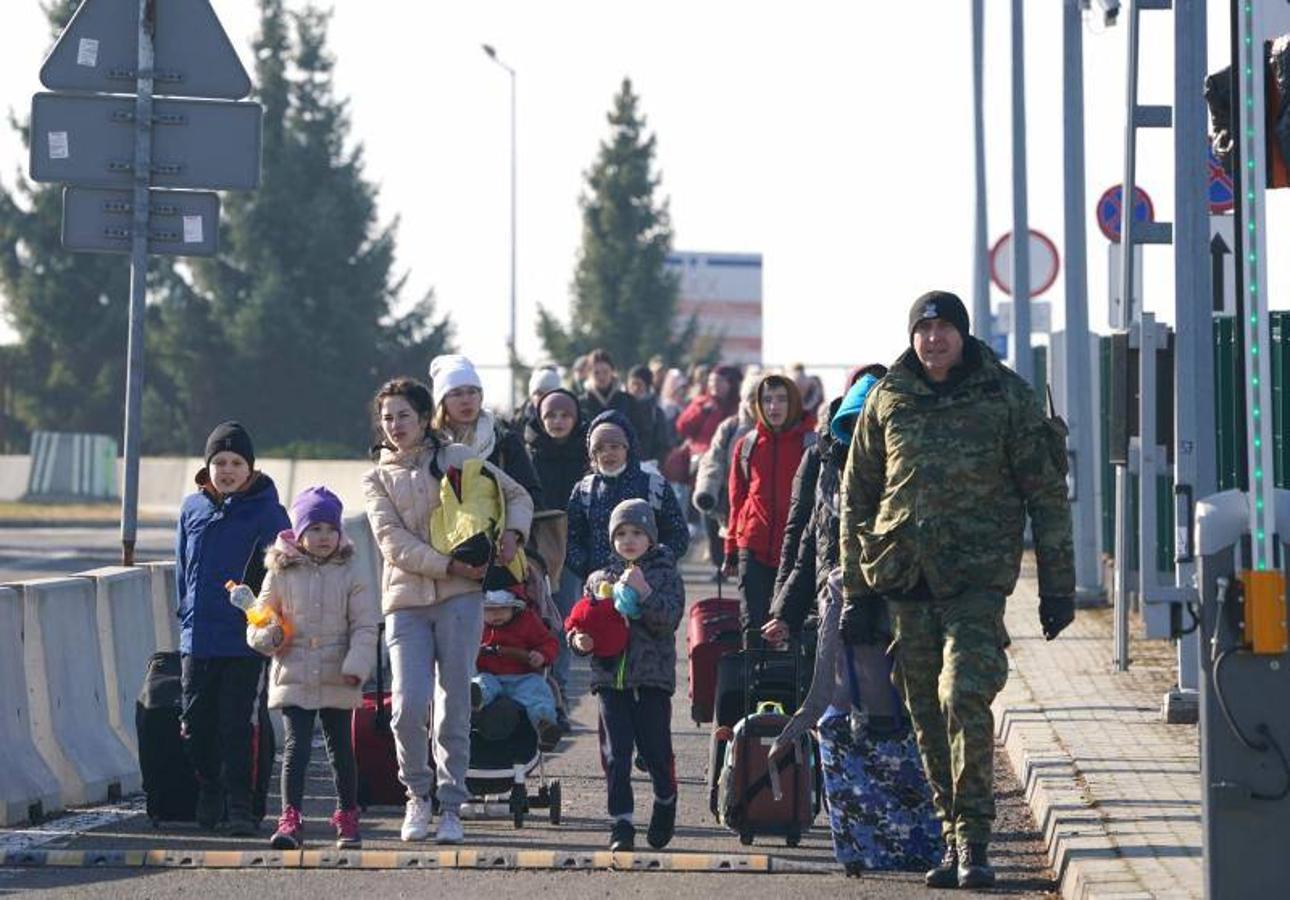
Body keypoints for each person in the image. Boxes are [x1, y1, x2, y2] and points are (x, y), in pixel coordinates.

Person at [840, 290, 1076, 890]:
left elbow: (1045, 494)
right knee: (924, 711)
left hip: (976, 582)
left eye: (946, 328)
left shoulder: (1006, 396)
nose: (935, 338)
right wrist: (856, 592)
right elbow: (857, 496)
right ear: (912, 337)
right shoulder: (888, 398)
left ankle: (975, 839)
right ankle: (951, 836)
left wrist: (1058, 587)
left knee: (962, 694)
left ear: (964, 335)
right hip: (905, 579)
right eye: (925, 329)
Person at [363, 378, 534, 845]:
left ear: (423, 417)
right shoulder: (375, 477)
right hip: (405, 601)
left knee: (452, 703)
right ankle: (417, 796)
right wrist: (448, 564)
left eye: (403, 415)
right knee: (407, 706)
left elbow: (518, 497)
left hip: (461, 598)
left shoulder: (457, 459)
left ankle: (452, 803)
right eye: (387, 418)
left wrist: (512, 537)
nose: (395, 425)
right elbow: (391, 542)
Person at [176, 421, 291, 836]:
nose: (227, 470)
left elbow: (283, 576)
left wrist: (268, 623)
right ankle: (209, 786)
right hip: (199, 637)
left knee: (238, 725)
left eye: (235, 462)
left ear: (250, 468)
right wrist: (185, 613)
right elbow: (182, 567)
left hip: (245, 639)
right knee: (195, 723)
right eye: (219, 462)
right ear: (208, 467)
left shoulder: (269, 513)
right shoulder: (192, 508)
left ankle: (242, 804)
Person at [253, 487, 380, 851]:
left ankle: (347, 814)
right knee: (296, 748)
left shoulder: (351, 571)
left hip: (338, 672)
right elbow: (260, 620)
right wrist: (269, 636)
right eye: (315, 529)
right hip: (293, 670)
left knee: (341, 747)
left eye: (330, 529)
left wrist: (357, 664)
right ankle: (290, 816)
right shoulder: (279, 571)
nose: (323, 537)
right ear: (299, 532)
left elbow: (365, 625)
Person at [567, 499, 685, 851]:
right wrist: (579, 642)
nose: (629, 540)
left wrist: (644, 592)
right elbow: (578, 622)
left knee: (655, 752)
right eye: (620, 533)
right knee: (616, 755)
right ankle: (621, 823)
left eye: (637, 532)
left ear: (650, 536)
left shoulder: (664, 573)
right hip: (609, 681)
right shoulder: (598, 578)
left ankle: (666, 800)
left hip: (652, 679)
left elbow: (669, 620)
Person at [762, 365, 888, 646]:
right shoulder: (824, 460)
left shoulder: (900, 467)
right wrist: (784, 612)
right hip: (831, 597)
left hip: (889, 609)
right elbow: (803, 539)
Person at [723, 373, 814, 634]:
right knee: (752, 626)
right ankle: (752, 675)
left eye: (781, 399)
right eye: (767, 400)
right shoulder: (747, 445)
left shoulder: (811, 444)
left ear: (794, 402)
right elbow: (737, 499)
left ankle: (790, 677)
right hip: (753, 546)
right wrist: (730, 546)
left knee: (792, 627)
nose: (774, 407)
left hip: (798, 551)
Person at [565, 410, 690, 587]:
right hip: (601, 587)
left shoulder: (654, 486)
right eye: (600, 448)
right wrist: (589, 569)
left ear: (628, 448)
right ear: (592, 455)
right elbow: (570, 538)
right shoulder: (585, 490)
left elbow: (678, 534)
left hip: (649, 586)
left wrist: (655, 564)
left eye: (615, 446)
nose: (607, 453)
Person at [523, 387, 590, 709]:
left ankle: (558, 690)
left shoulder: (587, 453)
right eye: (550, 415)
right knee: (532, 621)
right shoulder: (527, 451)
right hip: (534, 547)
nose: (558, 421)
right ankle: (534, 692)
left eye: (565, 415)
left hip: (571, 548)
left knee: (564, 618)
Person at [429, 353, 546, 510]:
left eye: (472, 392)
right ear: (441, 401)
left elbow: (531, 496)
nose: (466, 400)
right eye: (456, 393)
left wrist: (513, 530)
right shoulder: (430, 445)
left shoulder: (504, 441)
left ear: (481, 396)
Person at [472, 590, 561, 748]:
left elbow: (549, 643)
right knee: (480, 683)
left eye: (503, 609)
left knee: (538, 690)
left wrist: (541, 655)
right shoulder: (475, 625)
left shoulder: (527, 621)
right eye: (490, 609)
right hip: (489, 674)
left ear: (514, 608)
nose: (497, 614)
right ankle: (475, 700)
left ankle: (545, 726)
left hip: (522, 676)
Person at [624, 363, 675, 467]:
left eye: (639, 384)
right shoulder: (622, 407)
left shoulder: (655, 412)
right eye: (632, 384)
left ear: (647, 386)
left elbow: (662, 444)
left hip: (648, 467)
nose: (635, 388)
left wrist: (655, 462)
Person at [514, 366, 562, 430]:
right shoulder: (519, 422)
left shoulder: (566, 421)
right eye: (539, 393)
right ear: (531, 396)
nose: (544, 398)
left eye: (550, 394)